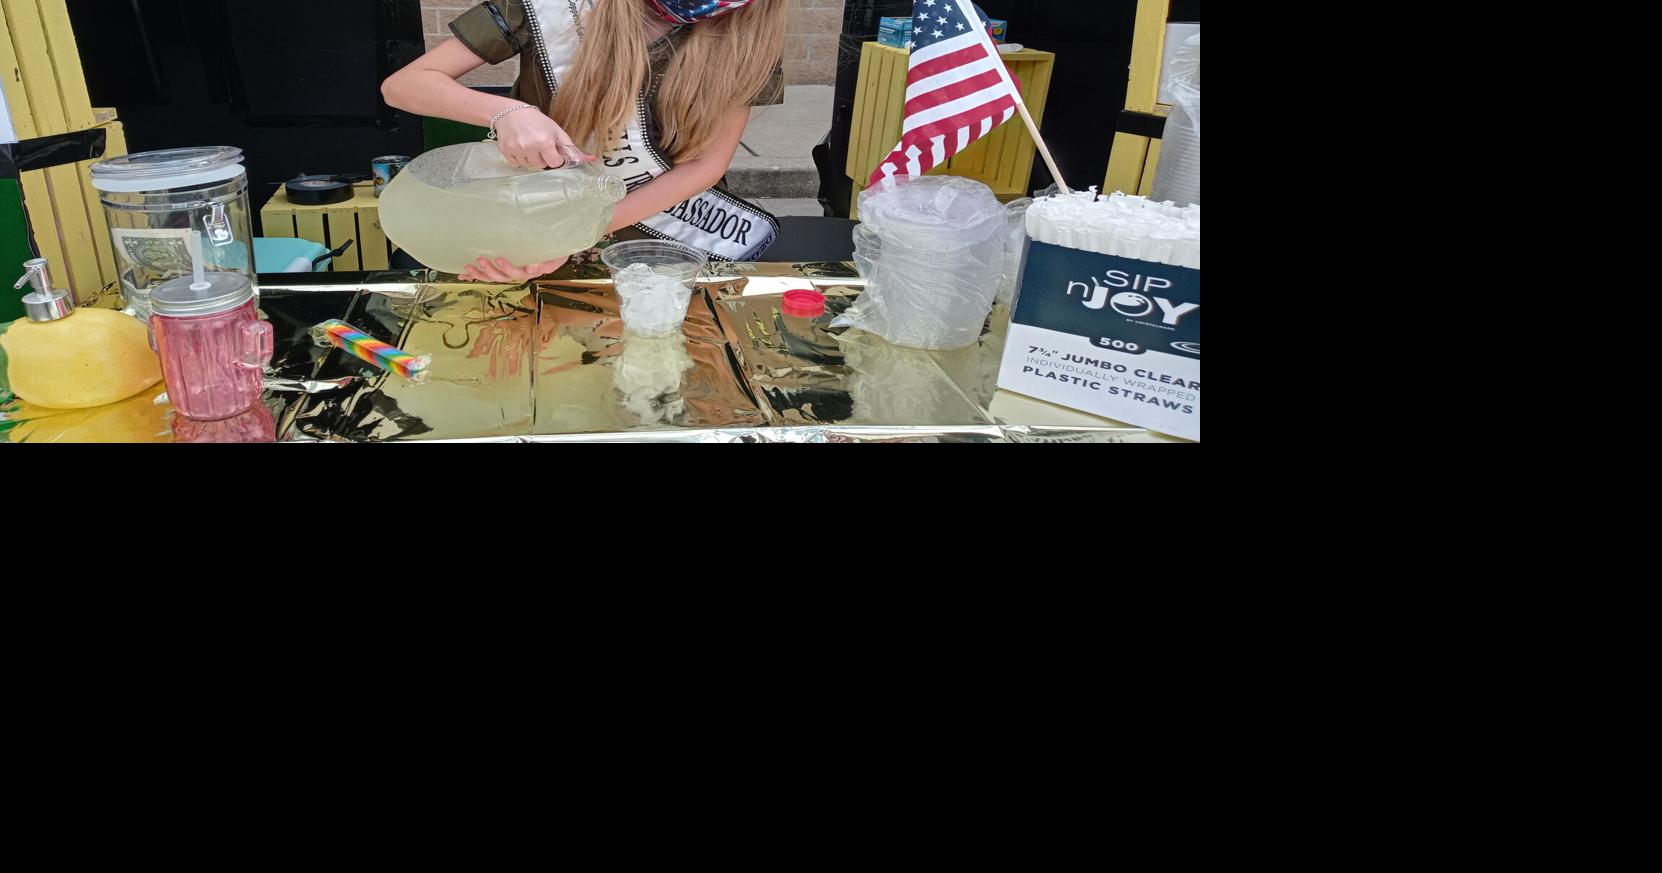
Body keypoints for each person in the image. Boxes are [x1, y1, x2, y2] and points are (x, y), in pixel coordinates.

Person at [381, 0, 787, 282]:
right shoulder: (553, 10)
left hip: (662, 243)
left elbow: (705, 166)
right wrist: (507, 113)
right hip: (540, 215)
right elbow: (405, 86)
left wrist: (578, 232)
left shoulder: (749, 37)